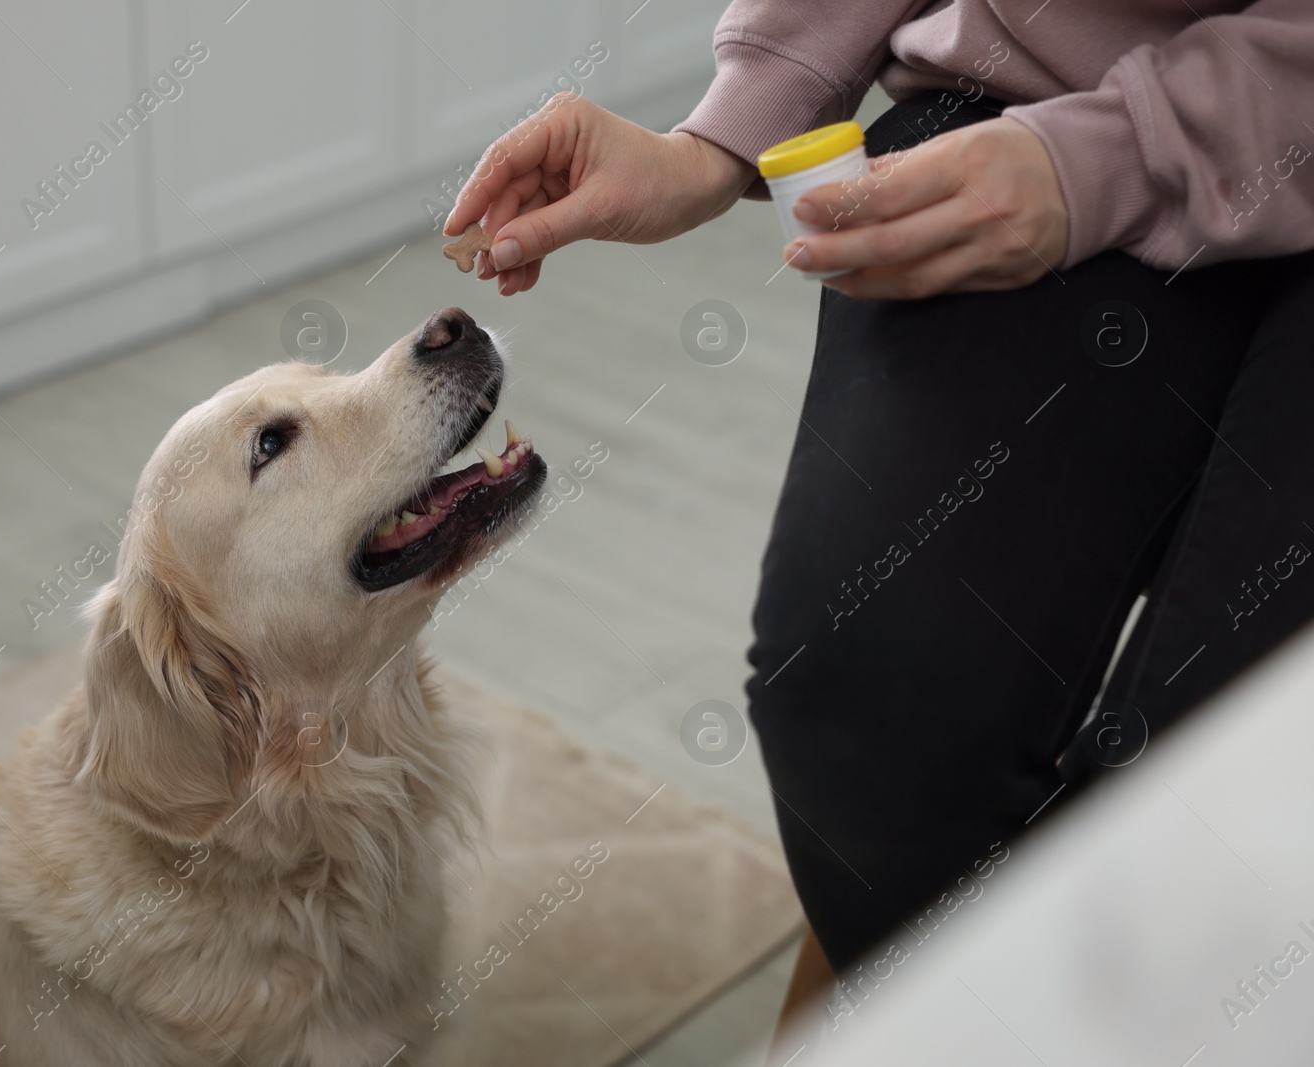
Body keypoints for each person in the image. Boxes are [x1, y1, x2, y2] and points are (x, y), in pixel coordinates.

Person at [445, 0, 1314, 1019]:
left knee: (1214, 825)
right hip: (1026, 98)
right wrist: (724, 136)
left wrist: (1105, 160)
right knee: (861, 712)